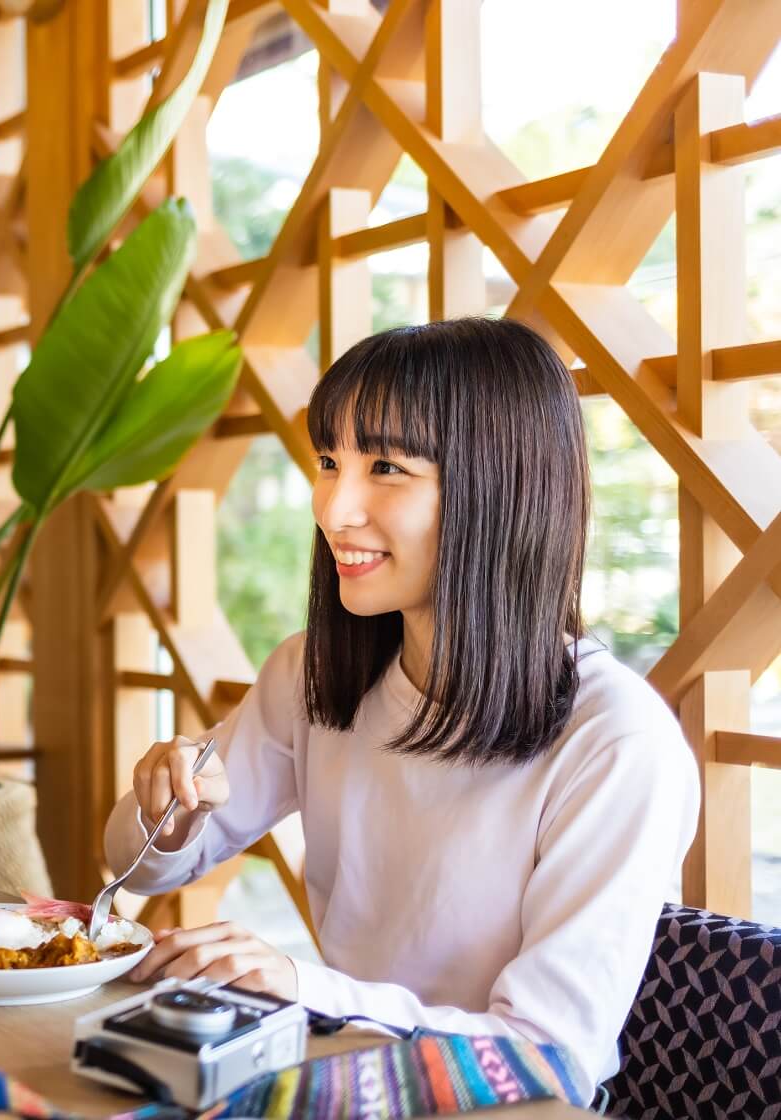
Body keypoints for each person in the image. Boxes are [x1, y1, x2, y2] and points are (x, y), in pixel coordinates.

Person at [103, 317, 698, 1105]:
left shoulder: (616, 741)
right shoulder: (316, 673)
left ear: (500, 487)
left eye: (385, 467)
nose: (335, 508)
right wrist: (169, 812)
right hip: (340, 1086)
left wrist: (303, 987)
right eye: (327, 461)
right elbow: (134, 866)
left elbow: (548, 1054)